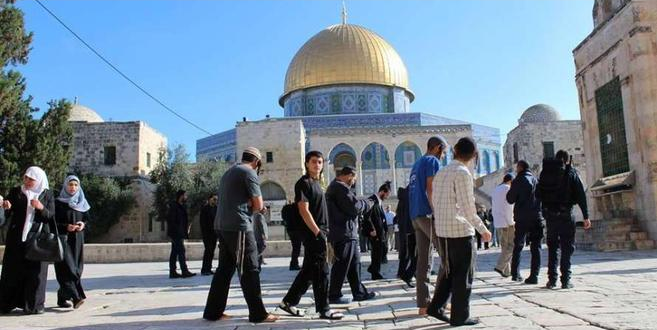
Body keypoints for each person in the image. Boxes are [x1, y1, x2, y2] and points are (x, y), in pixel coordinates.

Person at [203, 147, 278, 323]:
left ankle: (213, 312)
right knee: (250, 269)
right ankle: (258, 313)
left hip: (222, 226)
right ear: (257, 162)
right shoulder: (249, 172)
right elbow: (258, 205)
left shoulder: (228, 172)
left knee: (224, 270)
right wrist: (260, 208)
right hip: (239, 227)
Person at [427, 137, 492, 326]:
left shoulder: (442, 172)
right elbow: (467, 208)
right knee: (463, 274)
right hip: (460, 231)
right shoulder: (462, 173)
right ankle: (460, 316)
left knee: (449, 272)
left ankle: (436, 306)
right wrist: (483, 229)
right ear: (473, 155)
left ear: (455, 150)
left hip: (443, 230)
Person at [279, 151, 344, 320]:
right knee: (322, 271)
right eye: (314, 161)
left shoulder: (317, 183)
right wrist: (317, 232)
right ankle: (324, 309)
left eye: (320, 162)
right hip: (313, 233)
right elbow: (303, 210)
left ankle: (288, 302)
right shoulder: (303, 183)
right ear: (307, 163)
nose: (317, 165)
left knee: (309, 270)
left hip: (320, 231)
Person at [0, 166, 55, 315]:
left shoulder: (47, 194)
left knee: (36, 273)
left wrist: (41, 207)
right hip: (16, 239)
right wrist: (6, 206)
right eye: (26, 177)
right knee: (12, 271)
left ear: (39, 180)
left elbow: (50, 216)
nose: (27, 181)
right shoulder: (16, 191)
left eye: (31, 179)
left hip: (37, 239)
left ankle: (34, 305)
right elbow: (8, 211)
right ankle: (7, 304)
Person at [537, 150, 592, 289]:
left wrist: (544, 211)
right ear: (567, 160)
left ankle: (552, 280)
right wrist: (586, 216)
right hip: (566, 215)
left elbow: (538, 194)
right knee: (567, 248)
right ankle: (565, 280)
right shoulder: (571, 172)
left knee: (552, 248)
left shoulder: (545, 173)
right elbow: (580, 195)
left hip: (550, 216)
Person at [408, 136, 448, 316]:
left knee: (423, 260)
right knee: (448, 256)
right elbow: (431, 188)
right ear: (438, 148)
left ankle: (424, 305)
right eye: (444, 152)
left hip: (415, 215)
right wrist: (437, 211)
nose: (443, 156)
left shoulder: (416, 164)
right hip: (427, 214)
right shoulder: (432, 161)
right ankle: (439, 302)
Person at [326, 166, 375, 304]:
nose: (353, 182)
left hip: (347, 232)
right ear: (349, 176)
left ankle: (359, 292)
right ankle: (334, 294)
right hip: (343, 233)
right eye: (354, 179)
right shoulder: (340, 188)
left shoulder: (336, 188)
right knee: (342, 264)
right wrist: (368, 202)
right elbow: (354, 207)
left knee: (354, 263)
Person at [54, 175, 89, 309]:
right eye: (70, 184)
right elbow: (53, 222)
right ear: (65, 186)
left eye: (75, 185)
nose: (73, 187)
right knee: (68, 269)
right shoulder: (58, 203)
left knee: (77, 269)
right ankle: (76, 297)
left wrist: (82, 224)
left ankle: (62, 298)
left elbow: (87, 219)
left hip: (78, 240)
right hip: (63, 239)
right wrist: (65, 227)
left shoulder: (82, 202)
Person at [506, 160, 543, 284]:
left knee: (518, 245)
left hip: (522, 217)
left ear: (520, 168)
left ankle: (515, 273)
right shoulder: (536, 180)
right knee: (536, 246)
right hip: (536, 216)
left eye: (517, 168)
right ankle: (534, 275)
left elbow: (510, 199)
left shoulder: (518, 181)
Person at [363, 182, 391, 280]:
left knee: (380, 251)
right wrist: (371, 229)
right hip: (374, 232)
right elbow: (367, 216)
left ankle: (373, 269)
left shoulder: (379, 201)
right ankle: (375, 273)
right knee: (376, 253)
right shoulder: (372, 200)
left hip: (380, 232)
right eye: (387, 195)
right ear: (382, 192)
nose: (387, 197)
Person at [167, 190, 195, 279]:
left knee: (174, 253)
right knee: (181, 251)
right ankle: (184, 271)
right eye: (185, 195)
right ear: (181, 196)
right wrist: (177, 231)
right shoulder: (174, 206)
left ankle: (173, 272)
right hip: (176, 233)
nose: (186, 197)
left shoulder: (180, 206)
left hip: (179, 233)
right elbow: (172, 221)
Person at [492, 174, 515, 278]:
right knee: (511, 246)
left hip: (498, 222)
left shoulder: (496, 190)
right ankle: (500, 266)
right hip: (507, 222)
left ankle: (506, 271)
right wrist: (511, 222)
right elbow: (509, 207)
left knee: (504, 247)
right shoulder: (508, 189)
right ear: (510, 181)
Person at [395, 186, 416, 287]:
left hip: (404, 228)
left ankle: (402, 272)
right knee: (414, 254)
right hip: (413, 227)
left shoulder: (402, 198)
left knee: (405, 252)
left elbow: (398, 213)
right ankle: (409, 274)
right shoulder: (411, 196)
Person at [282, 200, 303, 271]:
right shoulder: (297, 208)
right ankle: (294, 264)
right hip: (296, 230)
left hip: (290, 229)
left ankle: (294, 263)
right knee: (297, 248)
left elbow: (283, 218)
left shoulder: (285, 208)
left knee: (295, 248)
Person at [200, 194, 218, 275]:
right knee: (208, 251)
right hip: (207, 234)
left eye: (216, 199)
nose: (215, 201)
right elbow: (203, 223)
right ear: (209, 199)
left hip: (214, 234)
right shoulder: (205, 209)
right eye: (214, 199)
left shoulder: (216, 209)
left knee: (211, 252)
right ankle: (204, 269)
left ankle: (209, 268)